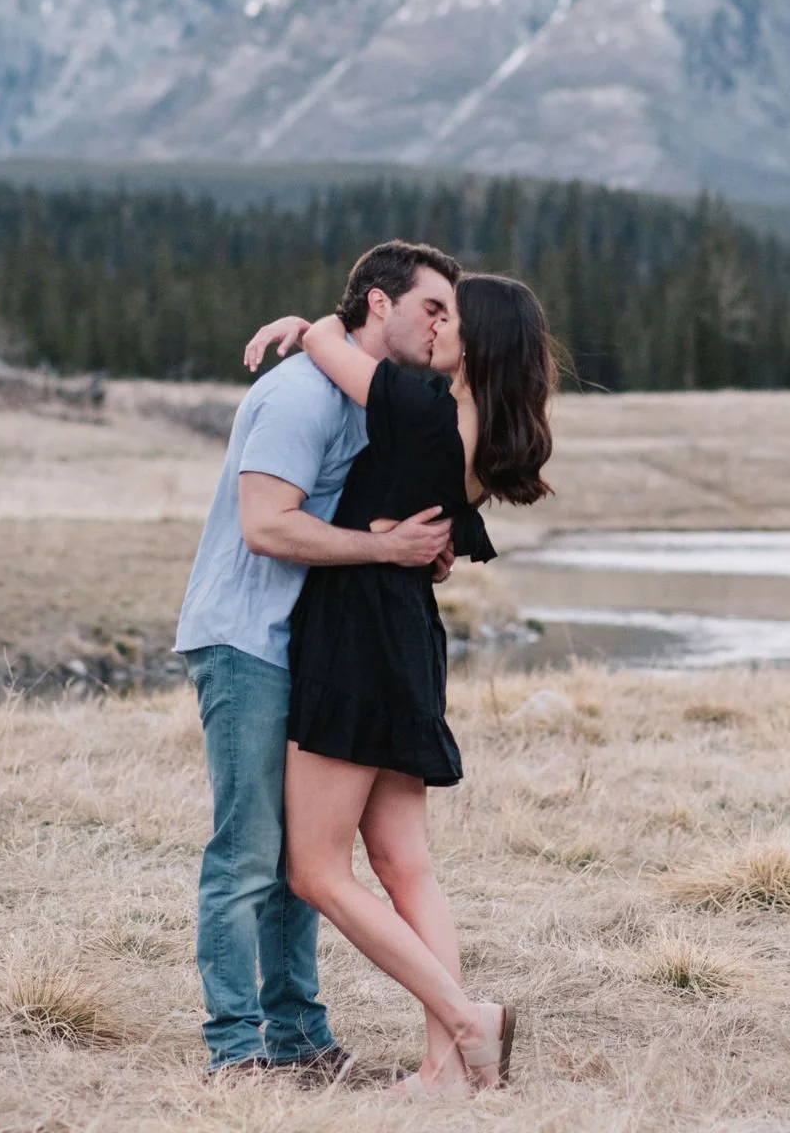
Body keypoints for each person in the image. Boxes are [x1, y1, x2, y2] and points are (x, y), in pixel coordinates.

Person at [243, 270, 557, 1098]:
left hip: (356, 633)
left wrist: (307, 322)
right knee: (402, 860)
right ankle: (447, 1073)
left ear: (478, 338)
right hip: (408, 633)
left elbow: (324, 344)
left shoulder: (421, 411)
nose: (438, 325)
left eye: (452, 316)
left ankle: (465, 1020)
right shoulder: (482, 434)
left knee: (315, 868)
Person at [174, 240, 462, 1077]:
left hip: (307, 644)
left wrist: (412, 544)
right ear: (379, 303)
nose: (442, 326)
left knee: (308, 855)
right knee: (248, 851)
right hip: (243, 639)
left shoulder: (359, 392)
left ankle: (299, 1038)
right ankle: (235, 1053)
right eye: (430, 308)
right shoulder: (299, 395)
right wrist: (384, 551)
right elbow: (266, 525)